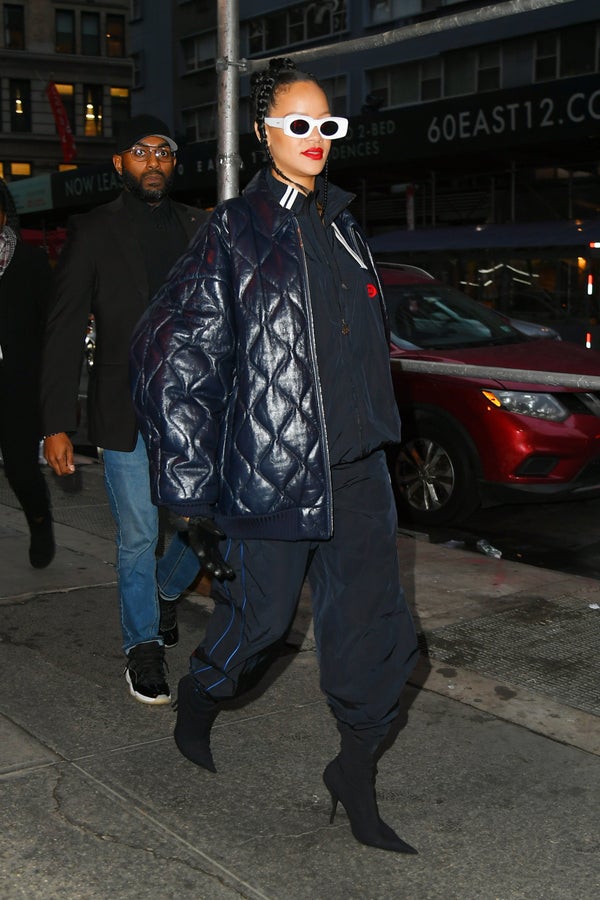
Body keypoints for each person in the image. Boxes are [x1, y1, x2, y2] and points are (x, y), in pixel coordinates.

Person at [130, 59, 419, 852]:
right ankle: (201, 697)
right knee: (258, 626)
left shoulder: (346, 225)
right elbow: (169, 353)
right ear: (264, 133)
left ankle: (353, 774)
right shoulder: (236, 229)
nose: (315, 137)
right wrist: (188, 489)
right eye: (298, 124)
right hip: (275, 472)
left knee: (372, 634)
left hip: (358, 475)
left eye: (327, 124)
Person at [41, 114, 206, 705]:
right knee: (138, 532)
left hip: (193, 407)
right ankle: (143, 646)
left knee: (208, 522)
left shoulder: (200, 226)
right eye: (140, 152)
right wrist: (56, 423)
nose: (153, 161)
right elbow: (64, 327)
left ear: (174, 162)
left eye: (163, 151)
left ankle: (165, 590)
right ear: (119, 163)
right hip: (125, 406)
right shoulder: (93, 230)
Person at [0, 179, 55, 569]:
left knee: (21, 471)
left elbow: (51, 329)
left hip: (17, 387)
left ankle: (39, 521)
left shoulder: (30, 262)